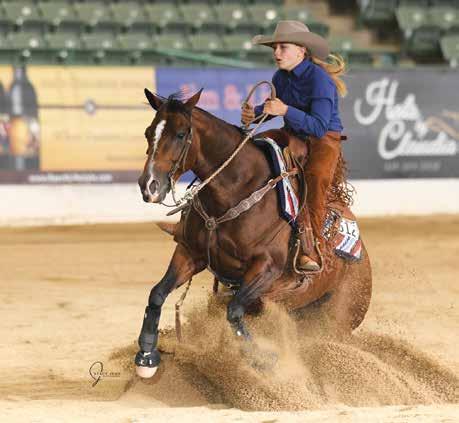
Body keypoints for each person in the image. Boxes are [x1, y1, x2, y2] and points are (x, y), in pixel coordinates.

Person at [242, 20, 348, 272]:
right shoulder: (280, 77)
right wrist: (255, 114)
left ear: (301, 50)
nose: (277, 53)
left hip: (324, 139)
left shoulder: (320, 80)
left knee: (316, 177)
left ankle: (312, 247)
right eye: (275, 48)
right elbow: (274, 107)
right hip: (293, 133)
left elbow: (319, 127)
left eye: (283, 47)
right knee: (256, 147)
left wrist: (285, 110)